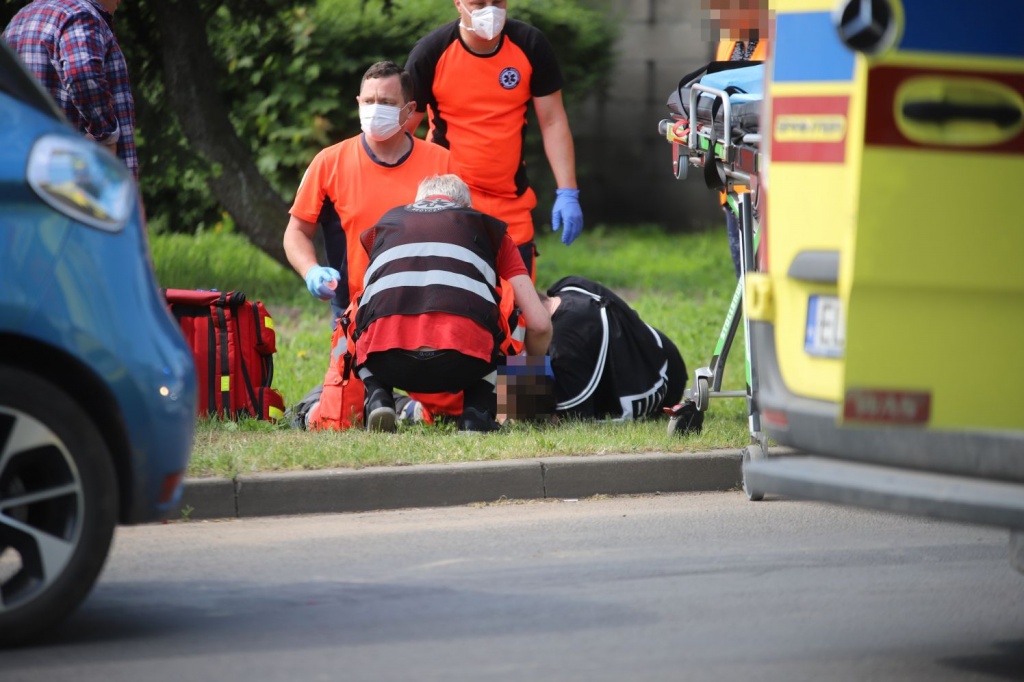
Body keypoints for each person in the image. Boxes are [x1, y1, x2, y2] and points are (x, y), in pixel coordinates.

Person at [353, 174, 552, 433]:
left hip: (386, 362)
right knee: (510, 310)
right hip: (463, 363)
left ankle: (379, 396)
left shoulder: (383, 227)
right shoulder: (488, 230)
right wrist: (530, 399)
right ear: (466, 208)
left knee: (355, 314)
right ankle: (478, 412)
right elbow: (539, 325)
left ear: (417, 204)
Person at [403, 0, 583, 279]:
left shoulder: (529, 44)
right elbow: (405, 134)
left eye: (497, 2)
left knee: (520, 311)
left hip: (510, 200)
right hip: (449, 200)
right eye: (478, 3)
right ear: (459, 4)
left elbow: (553, 121)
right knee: (456, 303)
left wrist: (567, 191)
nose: (490, 10)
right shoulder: (431, 53)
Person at [284, 60, 453, 316]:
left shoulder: (442, 162)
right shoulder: (329, 162)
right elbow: (295, 232)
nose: (375, 110)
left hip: (425, 307)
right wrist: (311, 271)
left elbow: (463, 233)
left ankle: (530, 359)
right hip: (355, 310)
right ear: (358, 102)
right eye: (368, 101)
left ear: (409, 110)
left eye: (386, 103)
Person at [3, 0, 137, 179]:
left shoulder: (20, 19)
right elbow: (82, 73)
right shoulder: (80, 14)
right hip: (75, 181)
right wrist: (105, 135)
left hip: (22, 175)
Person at [540, 276, 687, 421]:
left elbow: (573, 419)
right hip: (663, 350)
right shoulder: (570, 286)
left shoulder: (565, 346)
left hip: (662, 382)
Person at [704, 0, 769, 278]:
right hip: (734, 179)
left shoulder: (781, 39)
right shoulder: (729, 43)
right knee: (746, 279)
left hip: (767, 176)